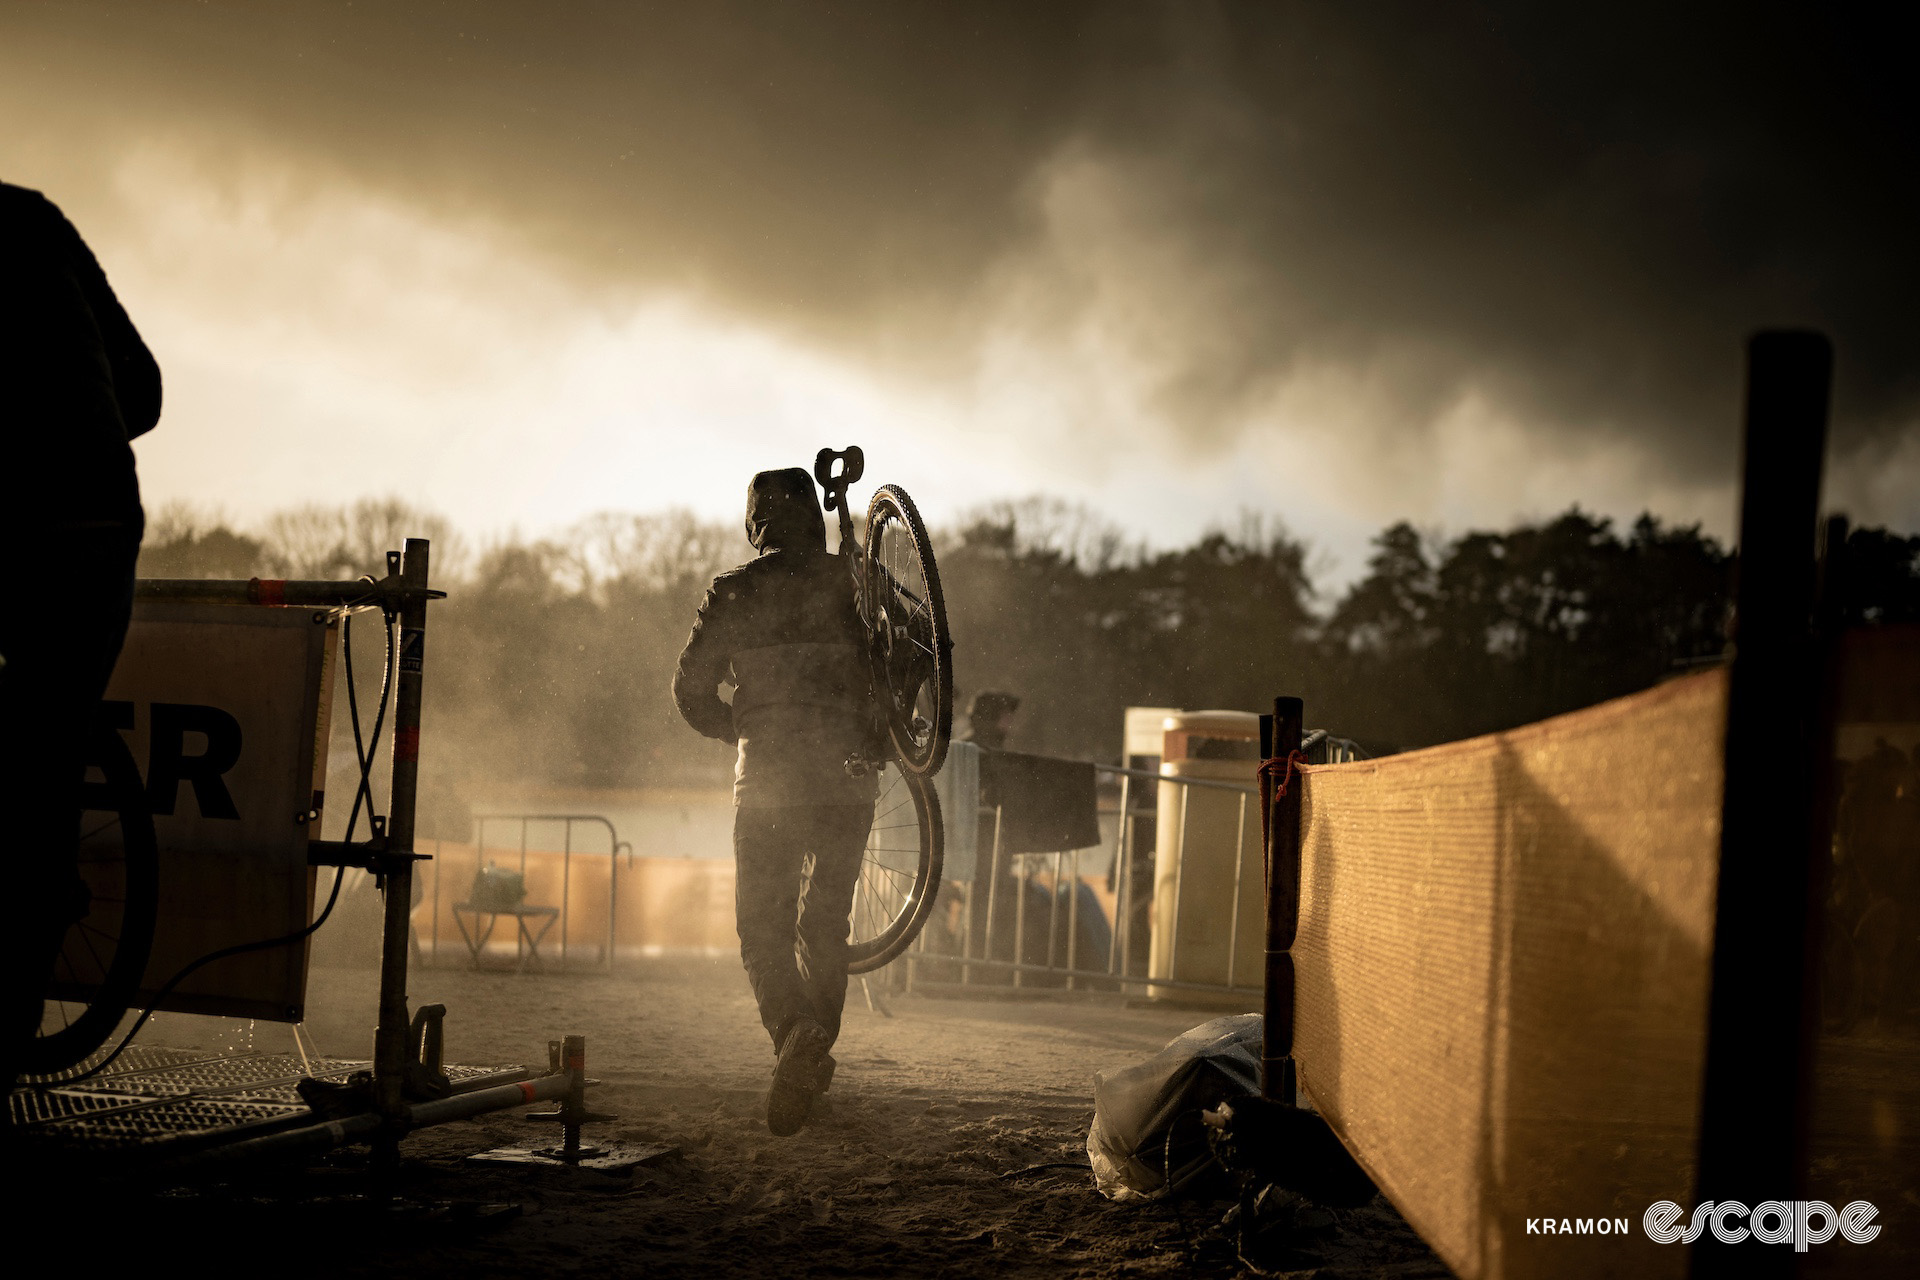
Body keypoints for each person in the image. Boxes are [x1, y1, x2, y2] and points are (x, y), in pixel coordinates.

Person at [0, 181, 160, 1089]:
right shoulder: (31, 216)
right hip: (97, 519)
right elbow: (142, 390)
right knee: (47, 762)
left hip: (26, 522)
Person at [672, 468, 878, 1136]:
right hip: (849, 779)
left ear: (755, 522)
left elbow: (689, 690)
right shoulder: (855, 581)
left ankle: (795, 1037)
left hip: (768, 780)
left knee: (761, 928)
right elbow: (905, 666)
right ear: (813, 518)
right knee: (824, 925)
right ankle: (811, 1059)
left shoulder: (735, 592)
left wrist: (740, 725)